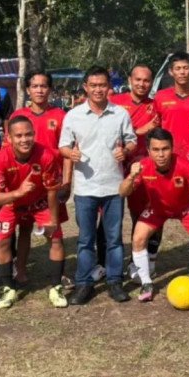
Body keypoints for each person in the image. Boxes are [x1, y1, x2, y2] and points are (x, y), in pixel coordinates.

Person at [58, 65, 137, 305]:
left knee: (114, 238)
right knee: (85, 239)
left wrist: (126, 151)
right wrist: (70, 154)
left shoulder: (120, 114)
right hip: (85, 188)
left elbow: (132, 141)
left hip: (114, 187)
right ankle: (84, 283)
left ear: (109, 87)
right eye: (93, 85)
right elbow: (63, 146)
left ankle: (114, 281)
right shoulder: (74, 115)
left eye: (102, 85)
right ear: (85, 87)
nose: (98, 89)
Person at [119, 128, 189, 302]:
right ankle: (146, 283)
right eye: (156, 149)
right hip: (158, 208)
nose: (161, 154)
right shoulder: (143, 166)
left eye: (165, 149)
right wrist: (131, 177)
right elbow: (123, 192)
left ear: (172, 148)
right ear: (148, 151)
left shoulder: (185, 166)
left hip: (186, 208)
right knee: (138, 237)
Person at [0, 115, 69, 308]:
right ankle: (8, 288)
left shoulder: (46, 155)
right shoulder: (0, 159)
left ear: (34, 134)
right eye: (19, 136)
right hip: (12, 203)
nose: (24, 139)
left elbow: (52, 191)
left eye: (28, 134)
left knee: (56, 239)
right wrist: (18, 193)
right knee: (2, 241)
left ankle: (56, 287)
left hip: (40, 203)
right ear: (9, 138)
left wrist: (53, 221)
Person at [9, 70, 72, 285]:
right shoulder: (19, 116)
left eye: (43, 86)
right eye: (34, 86)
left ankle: (59, 274)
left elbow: (67, 151)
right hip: (25, 182)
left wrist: (67, 181)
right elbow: (10, 149)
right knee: (24, 228)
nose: (39, 90)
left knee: (54, 229)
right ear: (28, 90)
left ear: (50, 89)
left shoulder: (61, 115)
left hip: (51, 183)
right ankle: (20, 270)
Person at [100, 64, 160, 280]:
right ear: (130, 80)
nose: (142, 84)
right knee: (109, 216)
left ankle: (140, 261)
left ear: (151, 83)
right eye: (138, 79)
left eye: (146, 80)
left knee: (143, 214)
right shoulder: (114, 102)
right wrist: (139, 131)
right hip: (114, 168)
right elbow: (103, 130)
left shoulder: (156, 105)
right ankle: (102, 263)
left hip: (142, 169)